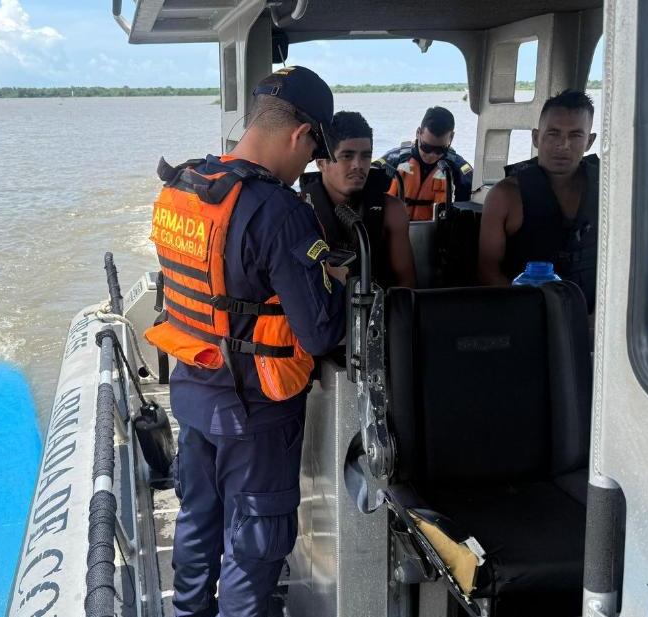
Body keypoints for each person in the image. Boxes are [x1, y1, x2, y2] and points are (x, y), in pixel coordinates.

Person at [143, 65, 348, 617]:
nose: (309, 165)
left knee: (198, 522)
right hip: (256, 414)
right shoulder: (281, 212)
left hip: (194, 393)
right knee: (253, 549)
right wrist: (334, 283)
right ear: (300, 135)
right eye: (314, 151)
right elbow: (319, 332)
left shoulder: (184, 187)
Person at [478, 89, 600, 312]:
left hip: (597, 319)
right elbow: (488, 271)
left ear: (590, 141)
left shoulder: (607, 190)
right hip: (526, 316)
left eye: (575, 135)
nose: (563, 145)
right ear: (536, 137)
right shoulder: (505, 196)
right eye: (553, 134)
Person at [299, 111, 417, 287]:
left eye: (366, 156)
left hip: (377, 301)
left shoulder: (392, 211)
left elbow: (406, 284)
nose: (358, 165)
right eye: (347, 156)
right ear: (321, 162)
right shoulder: (298, 212)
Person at [373, 106, 474, 221]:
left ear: (451, 137)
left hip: (434, 231)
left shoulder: (459, 170)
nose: (432, 155)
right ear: (418, 133)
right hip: (393, 228)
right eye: (426, 147)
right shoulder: (393, 160)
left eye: (440, 150)